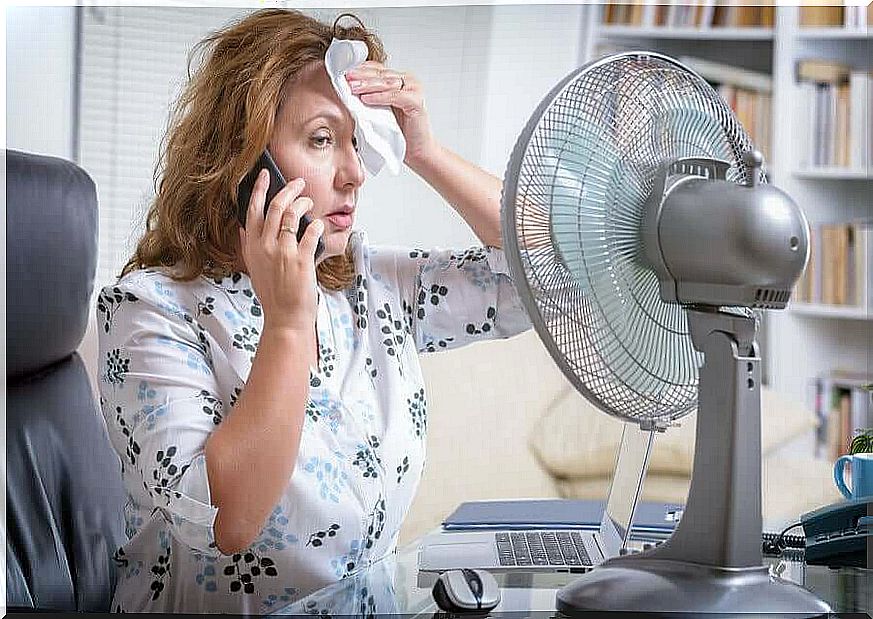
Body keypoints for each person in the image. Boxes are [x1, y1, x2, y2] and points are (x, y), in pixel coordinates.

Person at [97, 8, 530, 614]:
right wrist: (288, 322)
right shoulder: (149, 310)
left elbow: (539, 278)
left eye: (359, 139)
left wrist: (425, 151)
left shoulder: (371, 284)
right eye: (323, 140)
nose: (354, 173)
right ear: (246, 163)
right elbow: (227, 521)